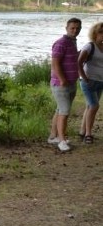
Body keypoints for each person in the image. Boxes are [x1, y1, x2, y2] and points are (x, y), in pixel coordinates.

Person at [47, 18, 82, 151]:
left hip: (71, 83)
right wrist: (62, 79)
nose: (75, 30)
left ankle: (53, 137)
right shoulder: (61, 43)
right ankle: (62, 141)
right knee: (64, 112)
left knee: (59, 110)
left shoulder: (72, 42)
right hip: (61, 84)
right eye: (72, 28)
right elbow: (55, 62)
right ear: (66, 28)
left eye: (78, 28)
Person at [78, 21, 103, 144]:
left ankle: (82, 132)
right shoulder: (90, 46)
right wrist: (85, 78)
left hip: (100, 81)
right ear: (95, 33)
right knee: (94, 106)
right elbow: (79, 63)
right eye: (101, 32)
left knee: (89, 106)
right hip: (89, 82)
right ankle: (88, 134)